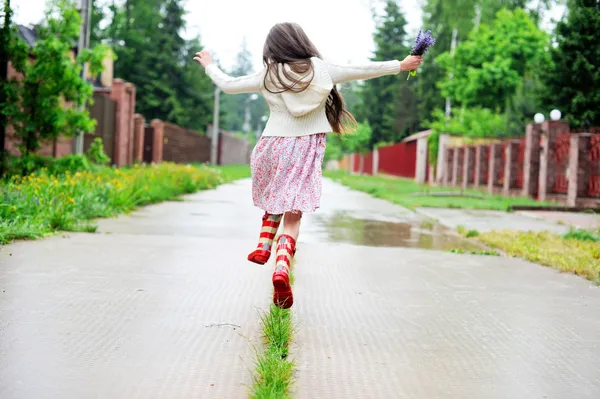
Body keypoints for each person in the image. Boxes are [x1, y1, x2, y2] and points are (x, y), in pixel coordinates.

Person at [194, 22, 421, 309]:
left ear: (272, 48)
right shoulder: (322, 70)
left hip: (271, 146)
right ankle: (281, 265)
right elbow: (364, 69)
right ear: (301, 42)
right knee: (293, 211)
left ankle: (264, 244)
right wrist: (400, 65)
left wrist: (210, 66)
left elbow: (227, 86)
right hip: (303, 148)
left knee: (276, 196)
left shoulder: (269, 74)